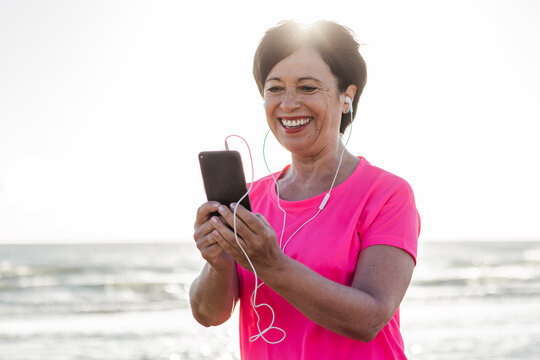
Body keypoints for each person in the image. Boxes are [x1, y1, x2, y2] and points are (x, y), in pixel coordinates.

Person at [190, 20, 420, 359]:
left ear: (347, 97)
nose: (288, 104)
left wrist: (270, 263)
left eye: (308, 88)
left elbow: (369, 319)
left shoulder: (387, 194)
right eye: (275, 88)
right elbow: (209, 314)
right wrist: (218, 262)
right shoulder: (249, 200)